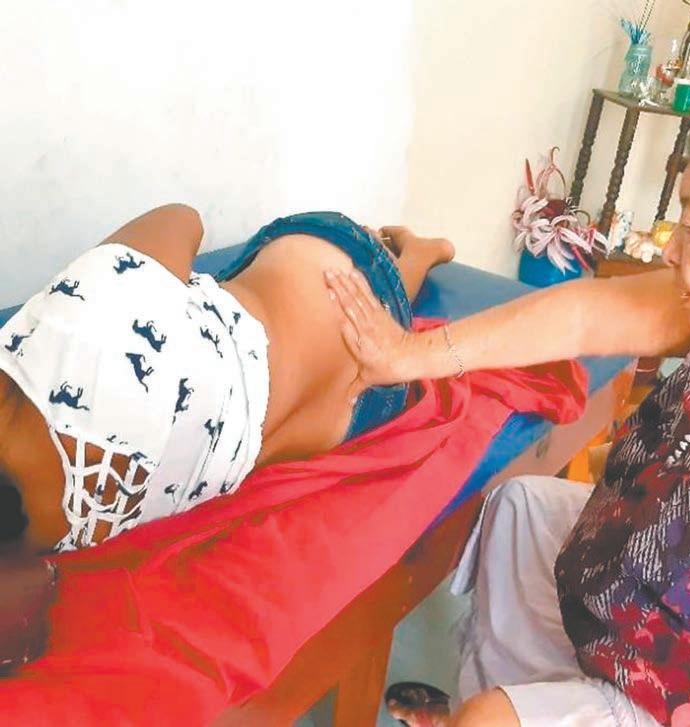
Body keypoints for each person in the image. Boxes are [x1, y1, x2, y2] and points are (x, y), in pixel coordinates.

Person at [324, 110, 690, 725]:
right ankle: (507, 698)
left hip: (678, 680)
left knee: (487, 720)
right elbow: (583, 315)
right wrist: (407, 355)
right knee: (519, 506)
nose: (669, 250)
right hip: (632, 573)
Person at [0, 208, 454, 670]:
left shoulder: (59, 533)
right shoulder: (86, 336)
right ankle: (413, 255)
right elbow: (182, 220)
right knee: (255, 298)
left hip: (358, 411)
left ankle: (411, 263)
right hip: (339, 272)